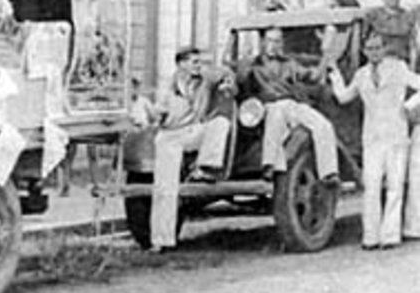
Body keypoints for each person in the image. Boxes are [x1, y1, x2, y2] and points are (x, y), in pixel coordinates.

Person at [328, 32, 420, 249]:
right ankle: (371, 236)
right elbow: (343, 97)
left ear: (384, 48)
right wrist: (334, 75)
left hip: (396, 135)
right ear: (364, 51)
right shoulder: (361, 75)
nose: (374, 53)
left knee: (395, 187)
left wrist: (410, 106)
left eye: (378, 48)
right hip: (372, 138)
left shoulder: (398, 69)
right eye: (370, 49)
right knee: (371, 186)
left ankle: (390, 236)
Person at [149, 47, 233, 252]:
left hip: (191, 132)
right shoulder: (166, 88)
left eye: (200, 61)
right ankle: (161, 240)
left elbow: (224, 72)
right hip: (169, 137)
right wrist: (156, 115)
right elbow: (157, 117)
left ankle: (205, 167)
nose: (198, 66)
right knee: (165, 189)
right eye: (194, 62)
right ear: (181, 64)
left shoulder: (204, 80)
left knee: (220, 123)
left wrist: (228, 81)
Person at [235, 27, 338, 185]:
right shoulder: (254, 65)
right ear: (263, 43)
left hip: (291, 104)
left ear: (281, 43)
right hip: (267, 105)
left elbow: (314, 77)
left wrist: (326, 54)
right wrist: (245, 56)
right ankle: (269, 166)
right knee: (274, 117)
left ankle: (329, 173)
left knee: (323, 124)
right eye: (269, 40)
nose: (273, 45)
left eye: (277, 41)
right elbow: (241, 78)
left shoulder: (289, 63)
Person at [363, 0, 419, 67]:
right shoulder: (373, 15)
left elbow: (413, 47)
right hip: (379, 64)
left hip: (402, 64)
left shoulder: (408, 17)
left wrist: (411, 70)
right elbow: (364, 44)